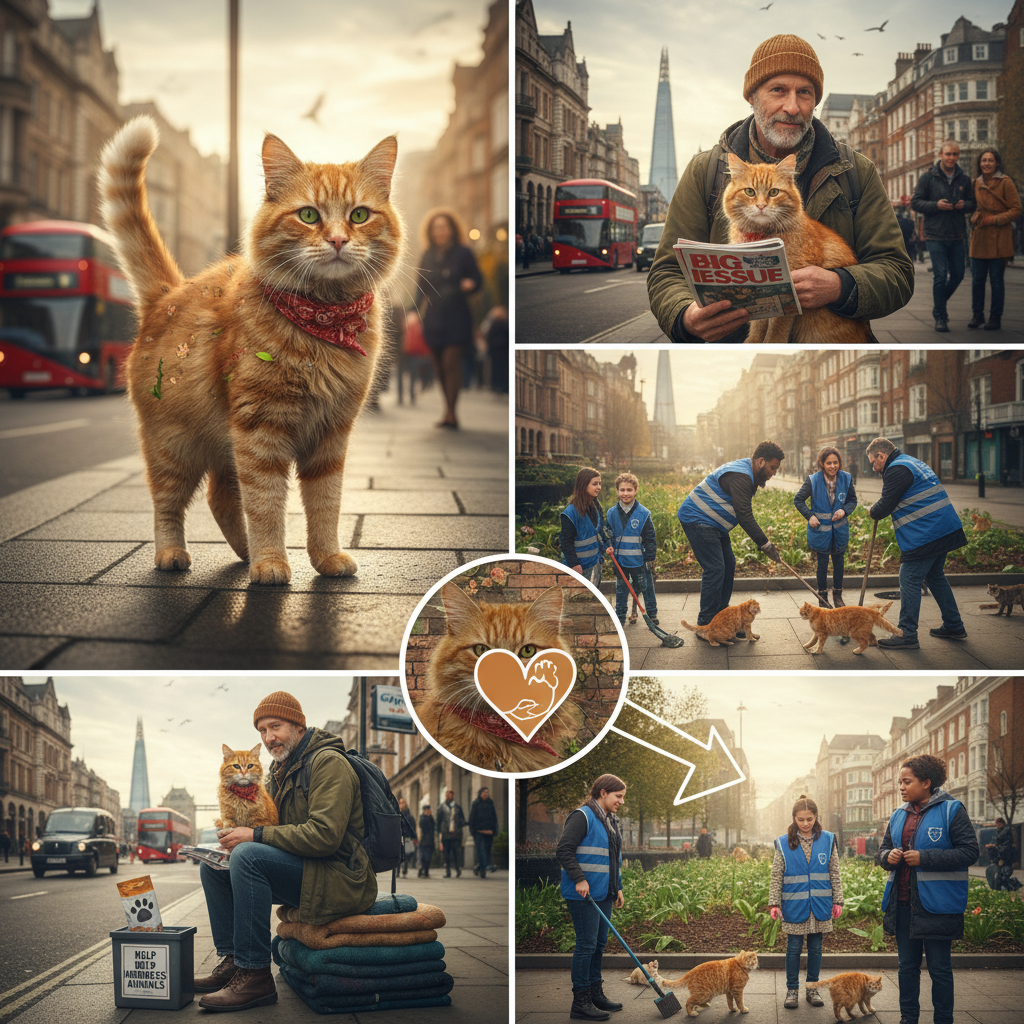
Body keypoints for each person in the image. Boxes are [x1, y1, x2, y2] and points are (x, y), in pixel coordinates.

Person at [647, 34, 913, 342]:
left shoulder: (857, 171)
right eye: (778, 90)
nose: (792, 106)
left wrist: (841, 285)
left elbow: (897, 272)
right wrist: (684, 316)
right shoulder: (704, 171)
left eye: (805, 93)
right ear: (752, 96)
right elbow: (667, 272)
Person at [194, 692, 377, 1011]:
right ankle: (234, 961)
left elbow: (325, 837)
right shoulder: (281, 771)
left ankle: (256, 976)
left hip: (339, 876)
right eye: (262, 731)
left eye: (275, 726)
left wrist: (254, 835)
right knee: (212, 867)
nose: (268, 738)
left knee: (247, 855)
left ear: (298, 726)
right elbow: (277, 830)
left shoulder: (328, 763)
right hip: (308, 868)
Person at [877, 754, 979, 1024]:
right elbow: (882, 851)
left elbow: (970, 852)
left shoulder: (951, 810)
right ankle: (908, 1019)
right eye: (900, 781)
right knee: (906, 968)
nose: (900, 786)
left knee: (940, 969)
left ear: (926, 783)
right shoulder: (898, 815)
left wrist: (926, 857)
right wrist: (887, 857)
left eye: (906, 781)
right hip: (902, 904)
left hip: (937, 905)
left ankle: (943, 1020)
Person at [866, 437, 967, 649]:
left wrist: (872, 511)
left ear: (881, 456)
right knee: (935, 576)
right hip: (943, 527)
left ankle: (907, 633)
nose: (873, 468)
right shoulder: (911, 461)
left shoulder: (896, 469)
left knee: (909, 577)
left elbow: (885, 505)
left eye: (873, 463)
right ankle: (954, 625)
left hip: (927, 532)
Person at [677, 440, 785, 631]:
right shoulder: (741, 476)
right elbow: (744, 515)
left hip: (714, 524)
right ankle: (706, 624)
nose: (774, 472)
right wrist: (766, 546)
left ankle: (722, 619)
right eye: (772, 467)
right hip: (698, 520)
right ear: (761, 462)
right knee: (716, 568)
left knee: (728, 565)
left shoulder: (747, 471)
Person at [556, 774, 626, 1021]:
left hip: (603, 893)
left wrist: (617, 887)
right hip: (583, 894)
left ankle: (596, 994)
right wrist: (579, 879)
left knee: (598, 944)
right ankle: (581, 1001)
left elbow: (612, 857)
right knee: (586, 945)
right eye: (618, 796)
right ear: (603, 792)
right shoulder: (582, 816)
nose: (621, 802)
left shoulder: (610, 820)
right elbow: (564, 850)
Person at [768, 795, 843, 1009]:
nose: (806, 823)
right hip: (794, 904)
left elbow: (834, 872)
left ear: (816, 817)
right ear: (794, 819)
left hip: (820, 904)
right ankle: (792, 990)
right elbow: (777, 874)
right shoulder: (784, 843)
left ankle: (812, 989)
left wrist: (838, 900)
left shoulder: (828, 840)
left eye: (809, 819)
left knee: (816, 948)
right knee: (793, 948)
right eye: (801, 819)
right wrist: (774, 903)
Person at [415, 208, 483, 429]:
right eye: (436, 228)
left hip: (457, 314)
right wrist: (414, 311)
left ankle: (452, 413)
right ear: (431, 231)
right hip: (434, 316)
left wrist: (470, 284)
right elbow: (420, 286)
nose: (439, 231)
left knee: (450, 362)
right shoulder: (427, 254)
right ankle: (447, 409)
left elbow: (477, 279)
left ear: (452, 229)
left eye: (443, 227)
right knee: (439, 367)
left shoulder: (463, 252)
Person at [911, 140, 976, 332]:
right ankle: (941, 316)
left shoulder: (964, 179)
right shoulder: (928, 178)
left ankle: (938, 304)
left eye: (955, 154)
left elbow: (973, 203)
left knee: (958, 275)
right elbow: (916, 203)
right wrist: (935, 205)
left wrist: (966, 205)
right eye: (948, 154)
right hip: (935, 234)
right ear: (941, 155)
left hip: (957, 233)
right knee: (940, 275)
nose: (951, 158)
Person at [794, 446, 857, 607]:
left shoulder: (846, 478)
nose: (832, 466)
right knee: (822, 566)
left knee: (839, 565)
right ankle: (822, 599)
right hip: (821, 532)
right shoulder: (813, 480)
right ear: (822, 463)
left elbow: (852, 501)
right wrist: (810, 516)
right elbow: (798, 500)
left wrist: (844, 510)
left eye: (835, 462)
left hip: (839, 532)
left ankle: (838, 596)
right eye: (828, 463)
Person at [968, 149, 1021, 332]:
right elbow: (971, 207)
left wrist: (996, 219)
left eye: (991, 160)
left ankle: (995, 317)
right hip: (980, 235)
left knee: (997, 280)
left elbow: (1016, 208)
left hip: (999, 237)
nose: (987, 163)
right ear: (979, 163)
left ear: (997, 163)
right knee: (977, 280)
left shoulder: (1005, 182)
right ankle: (977, 314)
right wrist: (974, 216)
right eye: (984, 160)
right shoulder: (975, 183)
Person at [605, 472, 658, 627]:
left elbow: (650, 538)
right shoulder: (611, 513)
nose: (625, 493)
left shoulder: (643, 513)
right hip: (620, 561)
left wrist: (650, 558)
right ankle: (620, 617)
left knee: (647, 587)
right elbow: (607, 534)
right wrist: (607, 545)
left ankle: (652, 615)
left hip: (640, 560)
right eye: (622, 490)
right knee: (621, 590)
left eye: (629, 490)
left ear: (636, 490)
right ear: (617, 491)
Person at [561, 468, 608, 587]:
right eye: (594, 484)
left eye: (599, 483)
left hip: (594, 564)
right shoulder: (571, 512)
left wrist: (606, 549)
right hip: (578, 568)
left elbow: (600, 531)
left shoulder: (596, 506)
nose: (599, 487)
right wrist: (574, 564)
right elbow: (566, 542)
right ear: (583, 485)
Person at [468, 786, 498, 880]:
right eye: (484, 792)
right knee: (481, 851)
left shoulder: (490, 803)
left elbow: (494, 817)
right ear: (480, 794)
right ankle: (484, 870)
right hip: (478, 831)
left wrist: (495, 829)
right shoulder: (475, 803)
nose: (486, 794)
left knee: (487, 851)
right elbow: (472, 817)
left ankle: (479, 867)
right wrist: (472, 830)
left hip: (489, 831)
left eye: (487, 792)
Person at [985, 818, 1021, 891]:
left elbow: (1005, 844)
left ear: (1000, 823)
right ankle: (1008, 888)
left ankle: (1014, 886)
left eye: (998, 824)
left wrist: (995, 847)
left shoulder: (1005, 831)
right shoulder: (1001, 831)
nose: (997, 825)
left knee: (1003, 877)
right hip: (1003, 858)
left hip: (1005, 858)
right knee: (1001, 877)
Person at [437, 789, 466, 879]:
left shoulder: (457, 807)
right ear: (446, 796)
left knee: (456, 853)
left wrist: (458, 823)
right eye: (448, 795)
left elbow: (462, 819)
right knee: (446, 854)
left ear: (453, 796)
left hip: (456, 834)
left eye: (451, 795)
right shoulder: (441, 807)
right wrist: (439, 833)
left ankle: (457, 869)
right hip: (445, 834)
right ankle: (448, 872)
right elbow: (438, 821)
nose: (449, 796)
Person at [398, 797, 417, 878]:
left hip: (407, 837)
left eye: (403, 802)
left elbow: (413, 826)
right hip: (398, 837)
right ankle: (397, 872)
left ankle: (405, 869)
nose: (402, 804)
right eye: (400, 803)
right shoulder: (397, 813)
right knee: (398, 855)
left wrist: (414, 837)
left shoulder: (409, 815)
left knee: (406, 855)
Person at [418, 804, 435, 878]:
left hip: (431, 841)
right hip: (424, 841)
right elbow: (422, 826)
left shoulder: (431, 818)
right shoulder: (423, 819)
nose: (428, 812)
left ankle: (426, 871)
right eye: (427, 811)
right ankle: (422, 869)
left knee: (429, 857)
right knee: (425, 857)